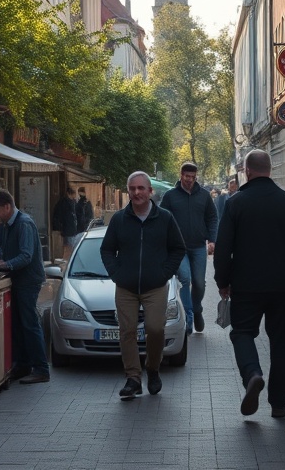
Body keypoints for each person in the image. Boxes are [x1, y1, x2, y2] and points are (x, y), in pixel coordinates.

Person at [213, 150, 285, 419]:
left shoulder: (235, 204)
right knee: (281, 341)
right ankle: (279, 403)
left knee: (242, 333)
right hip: (284, 286)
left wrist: (222, 281)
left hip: (246, 285)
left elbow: (223, 248)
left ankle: (252, 374)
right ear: (270, 170)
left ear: (247, 171)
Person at [100, 171, 186, 400]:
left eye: (141, 188)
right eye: (132, 188)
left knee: (155, 329)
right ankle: (133, 378)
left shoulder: (165, 218)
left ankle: (153, 368)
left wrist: (164, 273)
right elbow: (107, 249)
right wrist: (117, 273)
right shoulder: (119, 219)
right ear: (128, 191)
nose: (136, 193)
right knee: (127, 331)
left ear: (150, 192)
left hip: (155, 286)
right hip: (126, 287)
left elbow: (178, 248)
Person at [0, 188, 50, 384]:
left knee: (29, 323)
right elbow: (2, 250)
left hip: (28, 281)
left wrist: (4, 264)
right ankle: (23, 365)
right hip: (15, 279)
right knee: (17, 324)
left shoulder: (24, 224)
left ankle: (41, 368)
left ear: (7, 207)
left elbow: (26, 255)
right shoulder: (4, 226)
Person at [160, 162, 218, 333]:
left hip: (199, 246)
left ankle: (197, 309)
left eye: (193, 177)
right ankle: (189, 317)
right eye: (187, 176)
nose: (190, 180)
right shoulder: (170, 196)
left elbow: (213, 218)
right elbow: (163, 219)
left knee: (199, 283)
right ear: (181, 175)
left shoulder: (204, 196)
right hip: (178, 248)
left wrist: (212, 240)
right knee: (185, 278)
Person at [51, 186, 79, 258]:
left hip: (70, 228)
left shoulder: (72, 202)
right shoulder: (64, 203)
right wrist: (60, 227)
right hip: (67, 228)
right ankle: (67, 260)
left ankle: (67, 259)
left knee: (70, 246)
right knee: (69, 247)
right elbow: (60, 216)